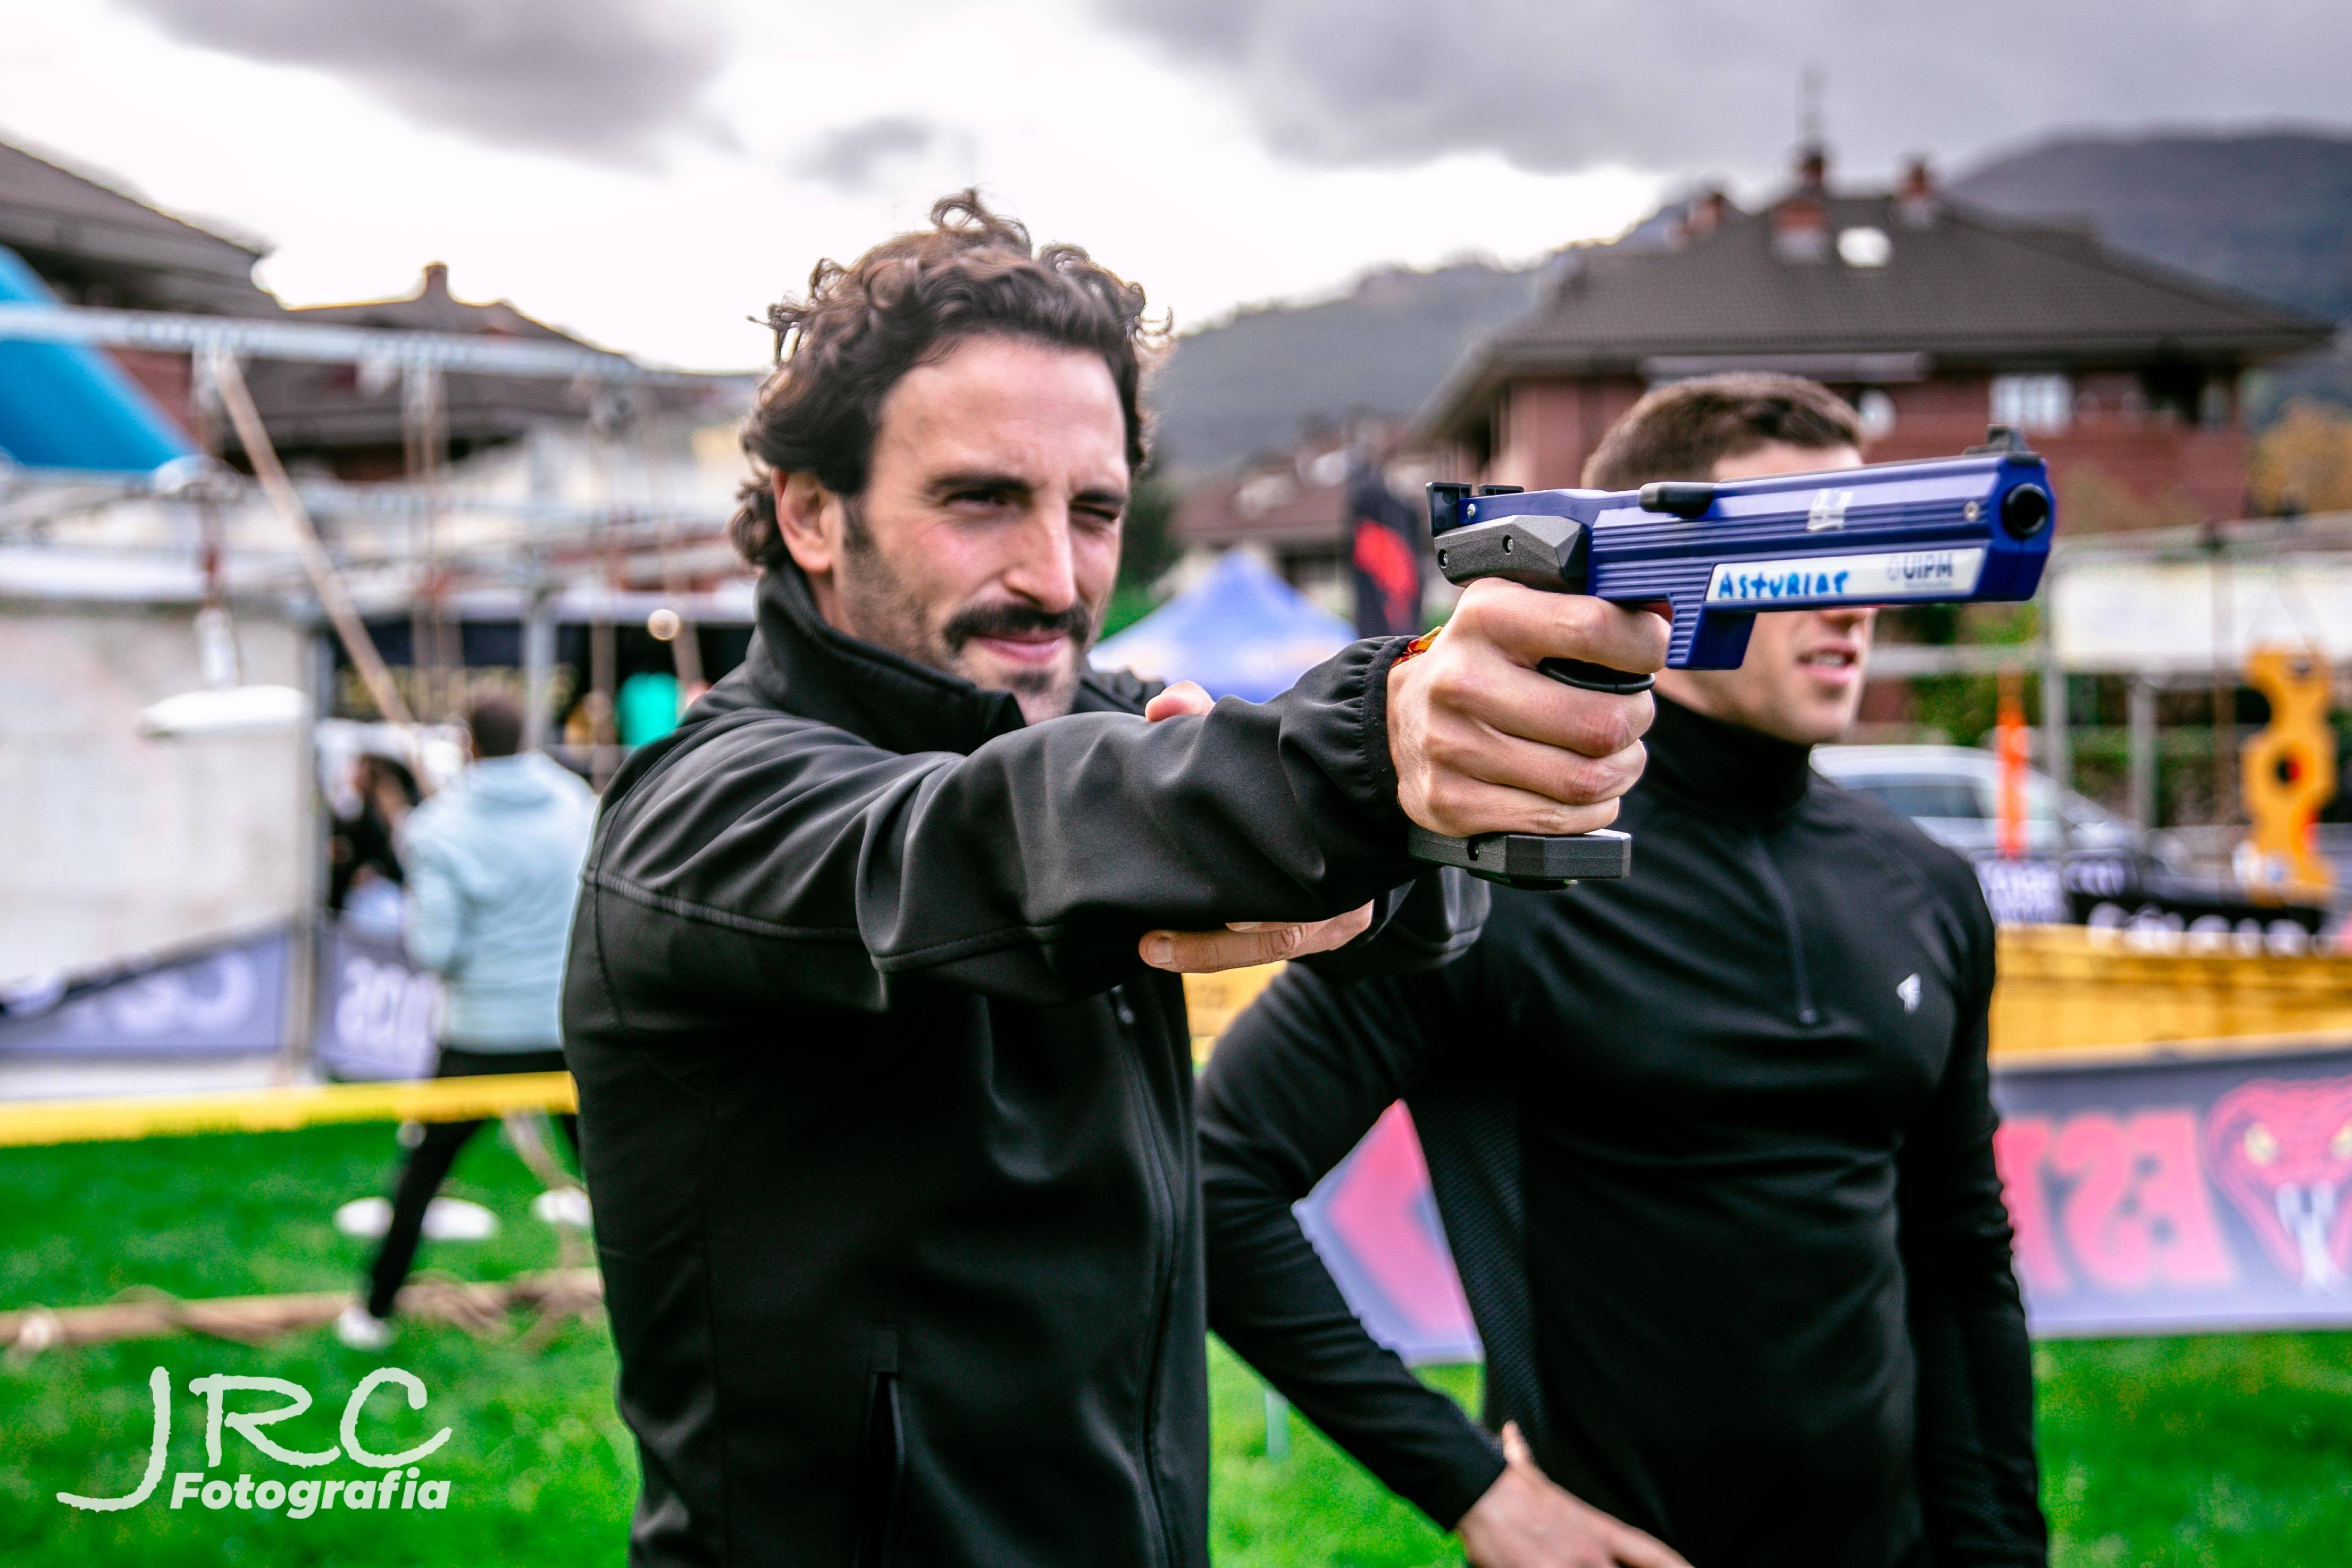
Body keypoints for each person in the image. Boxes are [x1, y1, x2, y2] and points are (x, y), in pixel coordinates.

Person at [559, 193, 1668, 1568]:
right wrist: (1358, 758)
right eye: (978, 500)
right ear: (809, 514)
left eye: (1092, 509)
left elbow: (1367, 878)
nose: (1051, 572)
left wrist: (1405, 819)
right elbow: (990, 835)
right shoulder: (702, 806)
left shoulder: (1100, 720)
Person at [1199, 374, 2047, 1568]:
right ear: (1658, 573)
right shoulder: (1505, 867)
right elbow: (1214, 1172)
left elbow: (1961, 1258)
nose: (1849, 591)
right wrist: (1477, 1488)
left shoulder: (1925, 887)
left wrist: (2000, 1547)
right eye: (1804, 544)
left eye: (1876, 531)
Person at [338, 694, 597, 1350]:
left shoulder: (440, 827)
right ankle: (660, 1314)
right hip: (561, 1027)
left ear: (467, 743)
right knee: (615, 1183)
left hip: (480, 1033)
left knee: (422, 1177)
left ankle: (372, 1314)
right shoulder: (576, 805)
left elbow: (434, 950)